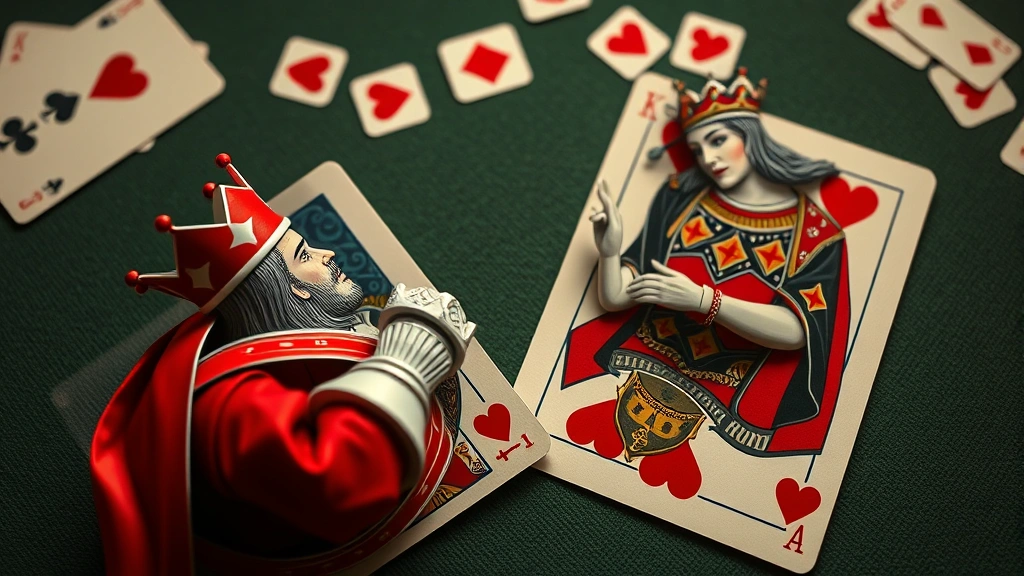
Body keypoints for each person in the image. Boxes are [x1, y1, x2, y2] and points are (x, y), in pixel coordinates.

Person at [91, 154, 478, 575]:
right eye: (305, 254)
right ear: (292, 289)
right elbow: (348, 484)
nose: (328, 253)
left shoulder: (295, 359)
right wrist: (405, 364)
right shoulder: (224, 405)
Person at [564, 69, 851, 461]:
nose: (709, 159)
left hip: (729, 398)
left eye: (718, 141)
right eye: (698, 150)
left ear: (751, 135)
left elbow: (797, 332)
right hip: (641, 361)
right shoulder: (681, 196)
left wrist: (704, 300)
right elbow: (616, 298)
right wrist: (611, 251)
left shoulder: (815, 233)